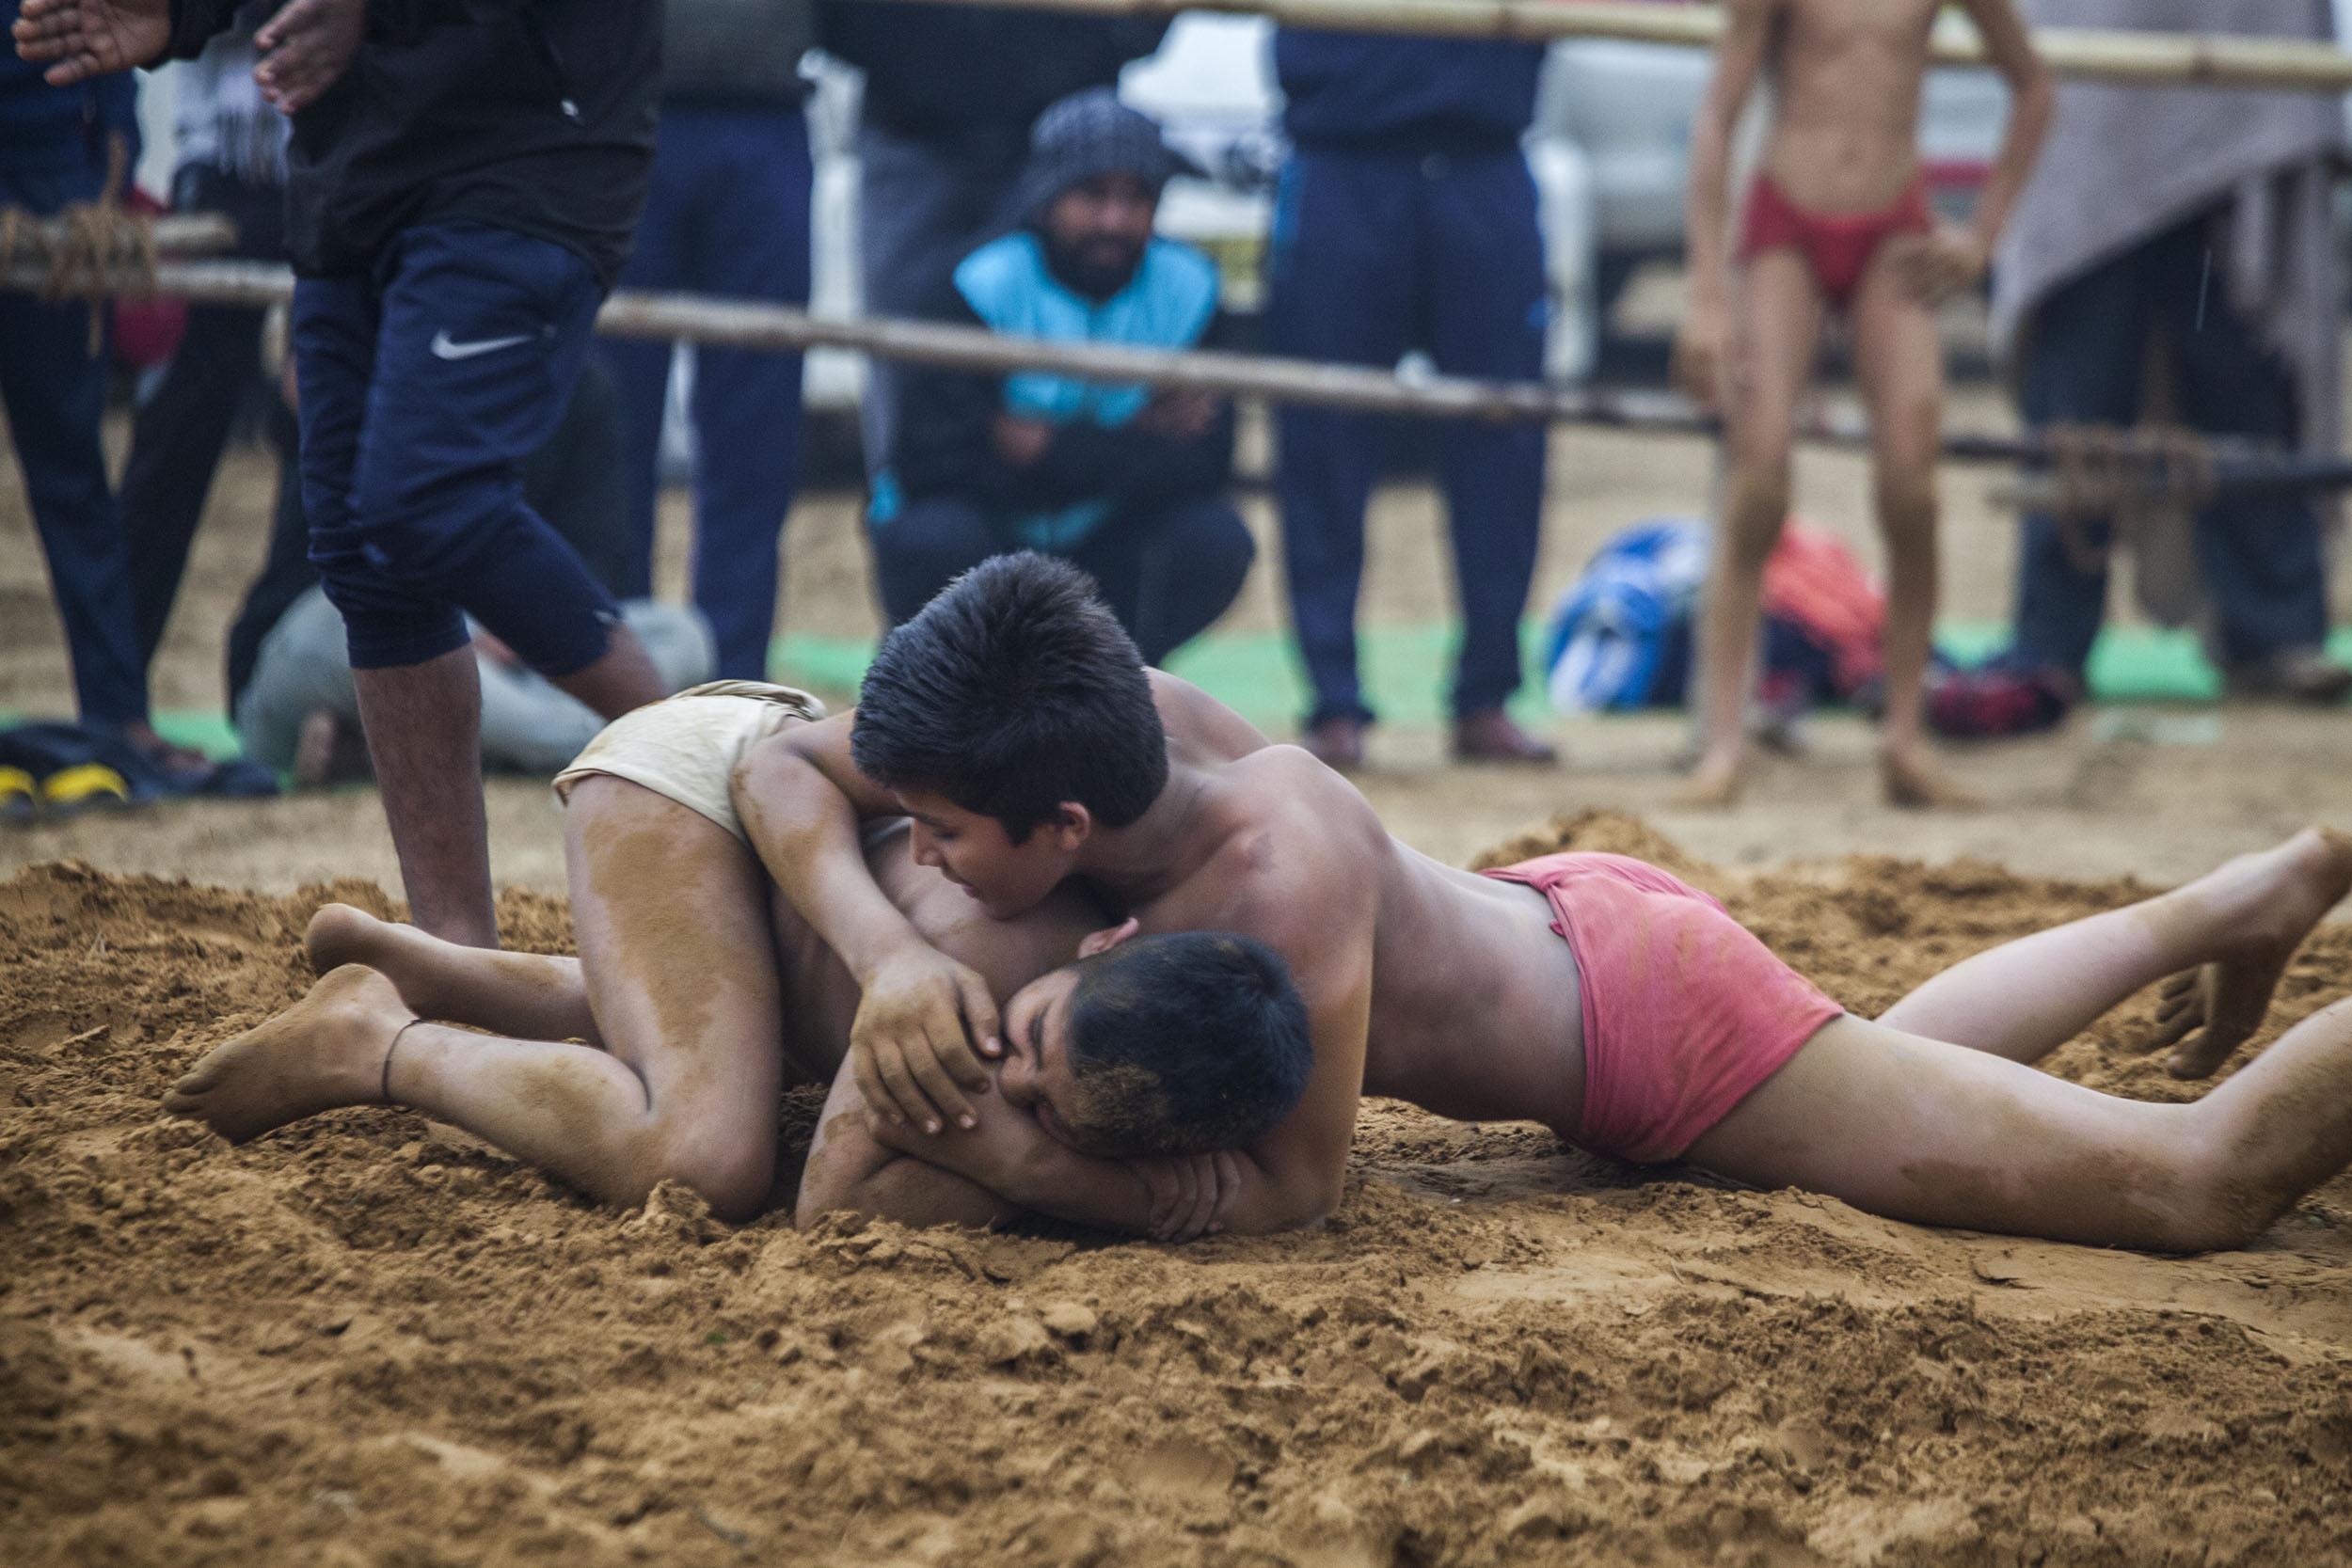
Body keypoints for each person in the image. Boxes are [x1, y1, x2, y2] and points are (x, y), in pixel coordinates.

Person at [174, 555, 2352, 1256]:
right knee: (1862, 1055)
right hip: (1573, 929)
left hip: (1632, 1020)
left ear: (1057, 823)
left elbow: (1292, 1191)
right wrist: (915, 946)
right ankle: (2228, 897)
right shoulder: (1115, 721)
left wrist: (994, 1145)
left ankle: (2259, 894)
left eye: (945, 834)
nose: (910, 838)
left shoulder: (1276, 863)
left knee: (2184, 1184)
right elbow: (777, 754)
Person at [165, 680, 1312, 1233]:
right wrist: (1054, 1172)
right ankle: (379, 1040)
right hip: (696, 783)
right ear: (1109, 941)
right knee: (707, 1152)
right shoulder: (980, 970)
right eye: (1031, 1043)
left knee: (723, 1025)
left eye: (1054, 1106)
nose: (1003, 1081)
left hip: (765, 854)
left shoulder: (1167, 1002)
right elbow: (838, 1203)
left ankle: (415, 963)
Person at [17, 0, 672, 951]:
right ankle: (458, 953)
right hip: (351, 171)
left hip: (520, 152)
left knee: (428, 502)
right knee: (366, 558)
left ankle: (736, 756)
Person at [1933, 0, 2352, 739]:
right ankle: (2051, 643)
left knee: (2242, 376)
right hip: (2086, 125)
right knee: (2074, 406)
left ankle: (2275, 632)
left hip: (2235, 121)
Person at [1672, 0, 2052, 807]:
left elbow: (2033, 85)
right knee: (1759, 482)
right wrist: (1707, 292)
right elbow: (1718, 114)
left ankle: (1903, 740)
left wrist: (1983, 234)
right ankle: (1724, 744)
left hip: (1893, 228)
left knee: (1913, 488)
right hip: (1784, 221)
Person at [865, 88, 1254, 665]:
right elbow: (930, 461)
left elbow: (1205, 465)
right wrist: (1133, 438)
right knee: (930, 537)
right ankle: (962, 684)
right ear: (1047, 196)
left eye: (1136, 197)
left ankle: (1119, 681)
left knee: (1213, 539)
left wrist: (1039, 444)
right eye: (1092, 194)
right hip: (990, 538)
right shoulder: (977, 283)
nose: (1113, 220)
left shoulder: (1190, 288)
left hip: (1107, 541)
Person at [1266, 26, 1557, 769]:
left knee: (1506, 433)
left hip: (1482, 154)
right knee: (1321, 429)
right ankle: (1333, 701)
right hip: (1344, 154)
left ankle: (1487, 693)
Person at [232, 353, 713, 781]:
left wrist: (518, 627)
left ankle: (394, 753)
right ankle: (613, 745)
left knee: (682, 632)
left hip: (506, 653)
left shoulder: (574, 380)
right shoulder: (370, 353)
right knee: (352, 624)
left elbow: (600, 561)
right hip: (361, 624)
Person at [816, 0, 1167, 478]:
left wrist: (1114, 38)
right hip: (910, 121)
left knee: (1082, 359)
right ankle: (913, 525)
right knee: (906, 364)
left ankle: (1074, 542)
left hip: (1060, 122)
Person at [0, 3, 204, 785]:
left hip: (58, 182)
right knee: (74, 474)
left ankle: (119, 715)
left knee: (72, 469)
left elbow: (110, 42)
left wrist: (107, 177)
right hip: (59, 168)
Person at [607, 0, 815, 683]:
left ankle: (732, 675)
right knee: (609, 416)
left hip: (766, 108)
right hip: (618, 100)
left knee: (756, 426)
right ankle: (609, 665)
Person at [114, 2, 289, 678]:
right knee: (178, 436)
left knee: (332, 439)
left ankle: (279, 677)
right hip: (225, 166)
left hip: (349, 165)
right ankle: (116, 687)